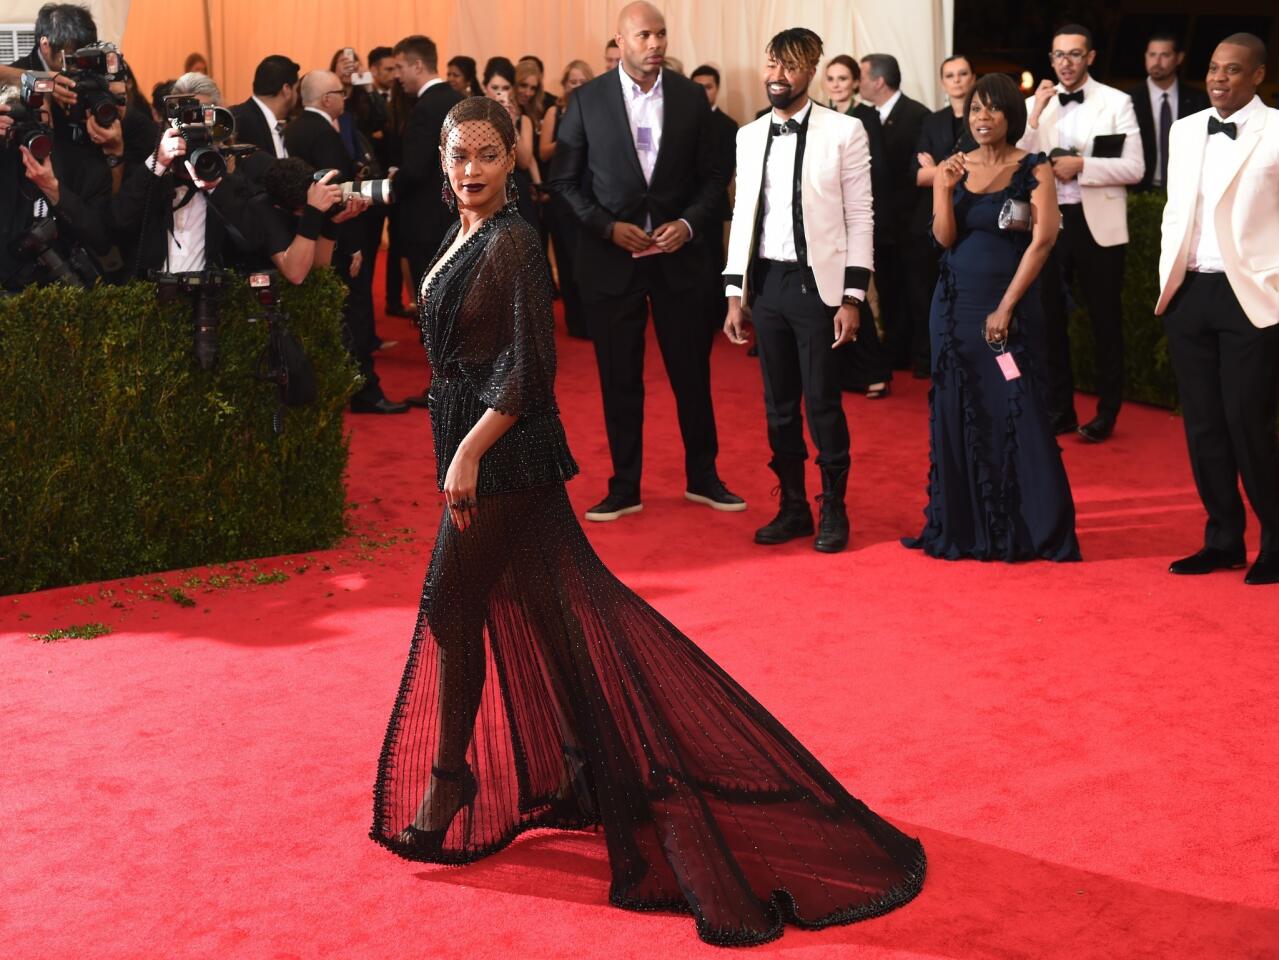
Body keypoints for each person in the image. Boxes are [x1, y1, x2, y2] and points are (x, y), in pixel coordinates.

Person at [369, 95, 926, 948]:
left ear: (513, 157)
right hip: (490, 458)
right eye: (457, 155)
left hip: (504, 461)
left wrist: (469, 453)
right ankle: (601, 771)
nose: (471, 170)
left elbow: (527, 372)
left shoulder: (515, 241)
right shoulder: (466, 229)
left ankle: (451, 778)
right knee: (555, 617)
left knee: (450, 609)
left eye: (486, 154)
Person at [548, 1, 743, 522]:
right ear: (620, 41)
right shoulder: (585, 102)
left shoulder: (689, 98)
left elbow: (713, 175)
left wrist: (689, 224)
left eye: (661, 34)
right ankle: (624, 486)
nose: (655, 44)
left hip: (681, 260)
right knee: (619, 377)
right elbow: (563, 182)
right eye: (644, 36)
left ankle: (704, 478)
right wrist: (607, 227)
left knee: (691, 374)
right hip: (613, 261)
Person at [903, 73, 1080, 563]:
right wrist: (942, 188)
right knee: (958, 406)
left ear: (1011, 116)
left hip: (1010, 309)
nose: (982, 118)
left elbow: (1043, 240)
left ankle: (1031, 526)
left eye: (993, 109)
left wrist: (1005, 307)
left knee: (1017, 404)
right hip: (954, 308)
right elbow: (943, 239)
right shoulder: (955, 166)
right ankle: (964, 523)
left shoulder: (1034, 168)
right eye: (975, 109)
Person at [723, 29, 876, 554]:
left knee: (822, 403)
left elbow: (861, 216)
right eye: (771, 65)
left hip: (820, 288)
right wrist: (734, 292)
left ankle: (833, 507)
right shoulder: (748, 135)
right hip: (766, 284)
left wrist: (853, 297)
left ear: (811, 70)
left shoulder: (845, 131)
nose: (777, 77)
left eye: (788, 67)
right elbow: (743, 215)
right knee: (778, 405)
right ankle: (791, 505)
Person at [1156, 33, 1279, 586]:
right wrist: (1168, 280)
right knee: (1203, 425)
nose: (1219, 78)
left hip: (1251, 295)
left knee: (1247, 422)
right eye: (1212, 68)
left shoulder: (1277, 131)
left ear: (1257, 76)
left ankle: (1276, 538)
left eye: (1233, 70)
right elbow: (1175, 210)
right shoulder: (1185, 130)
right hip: (1190, 293)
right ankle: (1223, 537)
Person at [1017, 24, 1144, 443]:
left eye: (1074, 54)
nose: (1065, 63)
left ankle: (1107, 413)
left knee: (1105, 322)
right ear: (1050, 60)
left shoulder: (1116, 102)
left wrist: (1083, 166)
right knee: (1049, 320)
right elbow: (1017, 157)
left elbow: (1135, 168)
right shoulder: (1041, 104)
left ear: (1090, 57)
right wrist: (1034, 112)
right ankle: (1060, 409)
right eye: (1058, 55)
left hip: (1099, 227)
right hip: (1050, 223)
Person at [285, 70, 407, 414]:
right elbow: (340, 196)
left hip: (309, 234)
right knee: (353, 313)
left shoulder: (294, 129)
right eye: (340, 93)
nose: (345, 98)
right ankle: (365, 391)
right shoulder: (324, 134)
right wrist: (353, 245)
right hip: (334, 237)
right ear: (327, 99)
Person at [823, 54, 892, 396]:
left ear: (855, 83)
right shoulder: (818, 116)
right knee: (831, 294)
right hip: (824, 219)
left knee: (854, 293)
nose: (836, 84)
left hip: (854, 216)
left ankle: (874, 371)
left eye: (842, 78)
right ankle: (847, 372)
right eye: (831, 78)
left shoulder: (866, 116)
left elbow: (875, 170)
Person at [859, 53, 930, 375]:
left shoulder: (918, 115)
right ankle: (896, 352)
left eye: (861, 76)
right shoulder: (868, 117)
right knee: (887, 290)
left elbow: (915, 173)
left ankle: (922, 356)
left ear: (878, 81)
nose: (859, 83)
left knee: (916, 292)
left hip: (910, 224)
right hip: (881, 225)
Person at [909, 55, 978, 378]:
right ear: (942, 82)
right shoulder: (932, 121)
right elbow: (918, 177)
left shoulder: (984, 119)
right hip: (931, 215)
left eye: (963, 73)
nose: (957, 80)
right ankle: (930, 358)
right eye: (950, 75)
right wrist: (947, 169)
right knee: (927, 291)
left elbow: (980, 170)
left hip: (973, 215)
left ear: (973, 77)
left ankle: (966, 359)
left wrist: (935, 167)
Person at [539, 59, 594, 338]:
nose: (577, 85)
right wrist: (571, 137)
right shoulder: (555, 111)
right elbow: (544, 152)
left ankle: (594, 318)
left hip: (591, 195)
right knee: (568, 258)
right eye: (573, 81)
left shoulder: (598, 109)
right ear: (564, 84)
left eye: (583, 80)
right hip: (561, 196)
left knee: (591, 260)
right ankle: (576, 321)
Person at [690, 63, 738, 340]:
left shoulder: (727, 125)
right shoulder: (682, 119)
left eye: (707, 86)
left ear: (717, 89)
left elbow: (724, 172)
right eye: (697, 87)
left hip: (711, 205)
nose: (702, 92)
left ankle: (717, 314)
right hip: (682, 207)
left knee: (712, 259)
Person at [1129, 32, 1209, 193]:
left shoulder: (1198, 100)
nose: (1157, 62)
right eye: (1152, 55)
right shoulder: (1128, 100)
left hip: (1187, 188)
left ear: (1179, 58)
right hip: (1139, 191)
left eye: (1164, 55)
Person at [482, 57, 540, 227]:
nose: (500, 93)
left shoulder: (523, 121)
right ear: (485, 87)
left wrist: (511, 124)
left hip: (516, 193)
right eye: (495, 88)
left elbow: (524, 161)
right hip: (485, 191)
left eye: (506, 88)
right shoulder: (473, 118)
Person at [229, 55, 299, 161]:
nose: (297, 95)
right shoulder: (239, 121)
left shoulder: (284, 126)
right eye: (296, 89)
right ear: (287, 90)